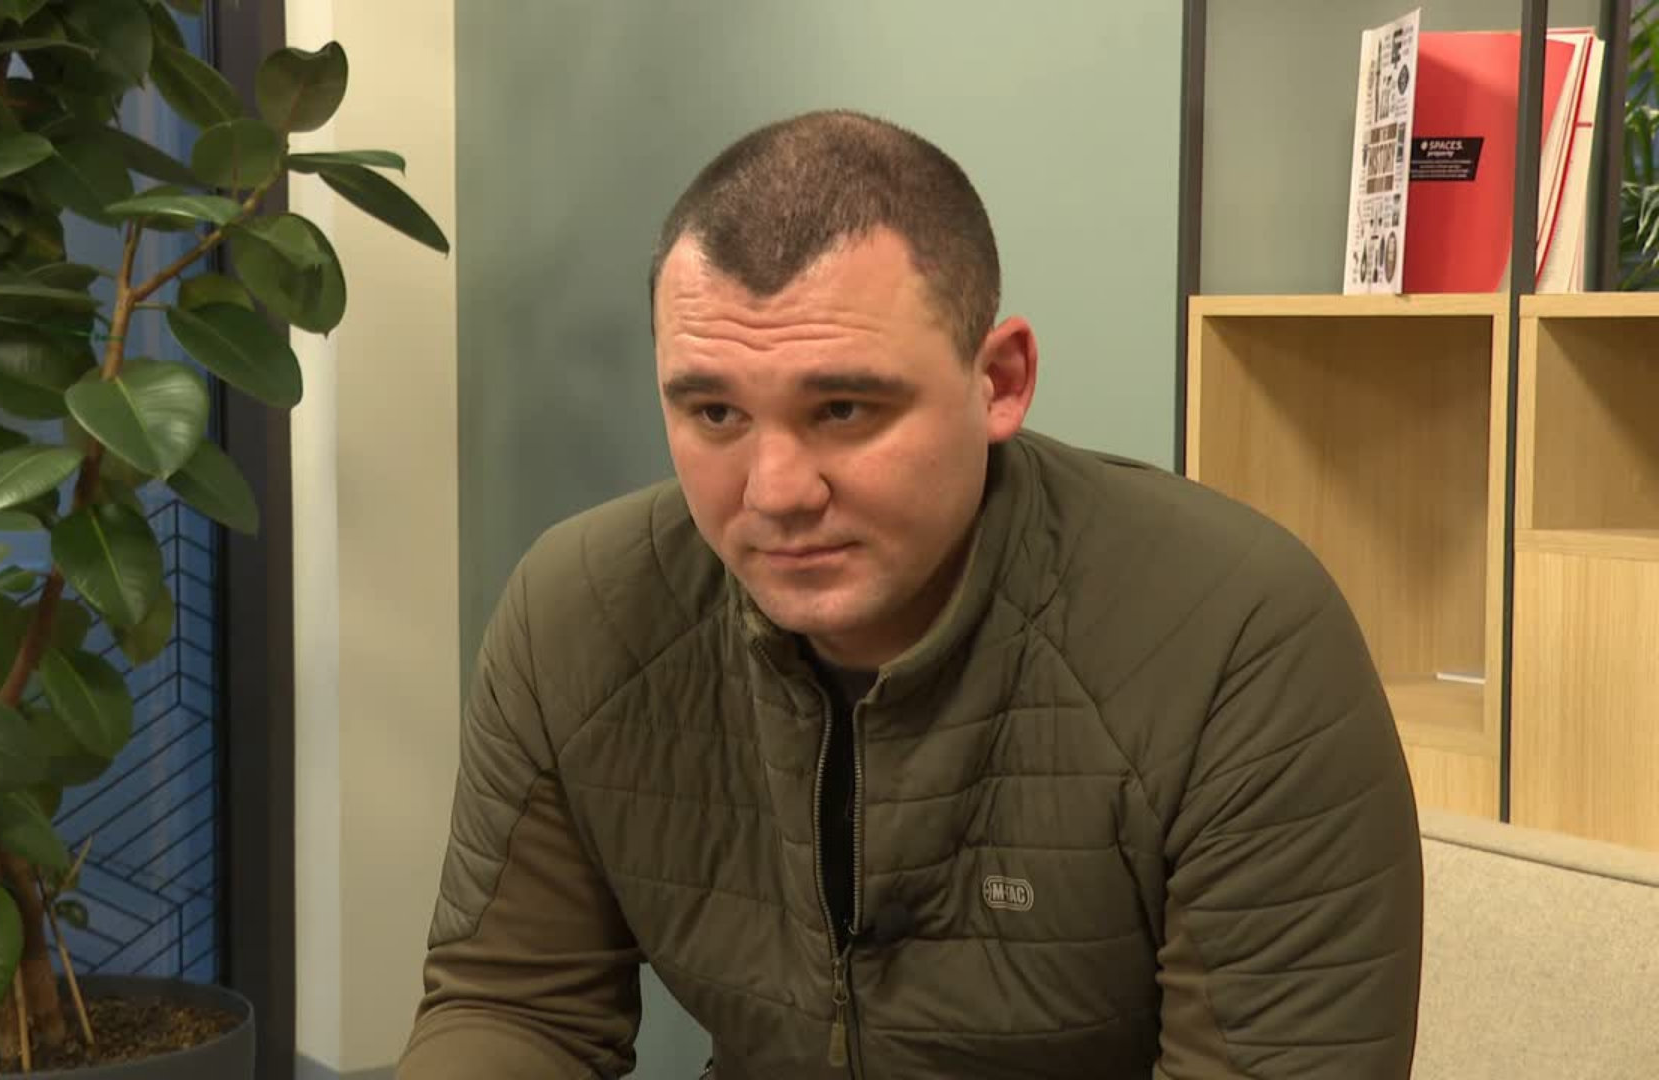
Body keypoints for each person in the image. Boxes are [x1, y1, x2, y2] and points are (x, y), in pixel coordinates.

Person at [396, 109, 1424, 1079]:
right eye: (714, 413)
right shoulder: (581, 614)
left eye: (844, 408)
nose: (775, 492)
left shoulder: (1233, 639)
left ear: (1000, 381)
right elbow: (514, 1009)